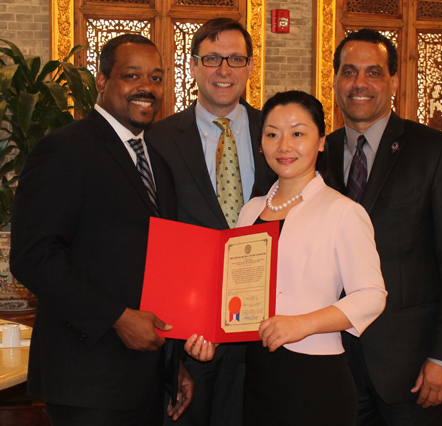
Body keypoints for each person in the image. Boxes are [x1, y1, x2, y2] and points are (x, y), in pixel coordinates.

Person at [10, 34, 193, 426]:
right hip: (87, 381)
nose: (147, 87)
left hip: (145, 380)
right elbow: (33, 256)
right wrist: (117, 317)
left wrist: (171, 365)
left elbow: (160, 266)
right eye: (132, 75)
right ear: (101, 80)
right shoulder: (63, 149)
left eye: (157, 78)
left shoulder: (157, 163)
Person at [325, 28, 442, 425]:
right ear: (334, 81)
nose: (359, 83)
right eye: (349, 72)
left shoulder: (436, 151)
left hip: (414, 370)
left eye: (373, 72)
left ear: (394, 81)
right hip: (334, 367)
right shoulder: (317, 154)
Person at [147, 18, 275, 426]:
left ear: (251, 67)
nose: (225, 70)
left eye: (236, 59)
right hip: (188, 339)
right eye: (213, 59)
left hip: (265, 338)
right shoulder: (159, 139)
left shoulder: (274, 135)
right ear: (194, 65)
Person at [234, 90, 387, 426]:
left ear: (321, 141)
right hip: (256, 374)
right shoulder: (251, 210)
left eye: (298, 133)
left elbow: (372, 297)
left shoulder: (343, 212)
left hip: (314, 377)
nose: (284, 145)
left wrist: (302, 324)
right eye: (272, 134)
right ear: (260, 144)